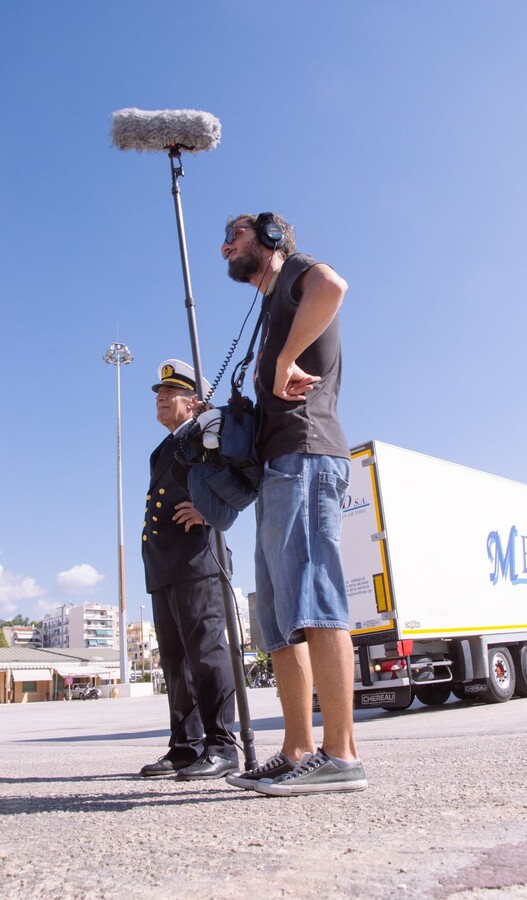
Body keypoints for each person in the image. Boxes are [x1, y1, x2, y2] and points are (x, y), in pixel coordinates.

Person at [220, 213, 366, 795]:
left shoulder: (300, 274)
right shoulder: (270, 307)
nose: (225, 244)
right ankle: (298, 748)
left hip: (307, 456)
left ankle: (342, 754)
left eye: (236, 232)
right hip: (280, 467)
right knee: (280, 621)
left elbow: (335, 288)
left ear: (273, 239)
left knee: (316, 597)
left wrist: (283, 363)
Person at [139, 359, 238, 780]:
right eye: (159, 393)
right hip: (165, 563)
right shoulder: (163, 448)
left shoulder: (207, 434)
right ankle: (185, 747)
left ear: (192, 400)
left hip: (199, 559)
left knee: (206, 653)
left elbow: (238, 477)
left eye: (170, 392)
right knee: (176, 661)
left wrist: (210, 511)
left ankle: (221, 746)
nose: (160, 398)